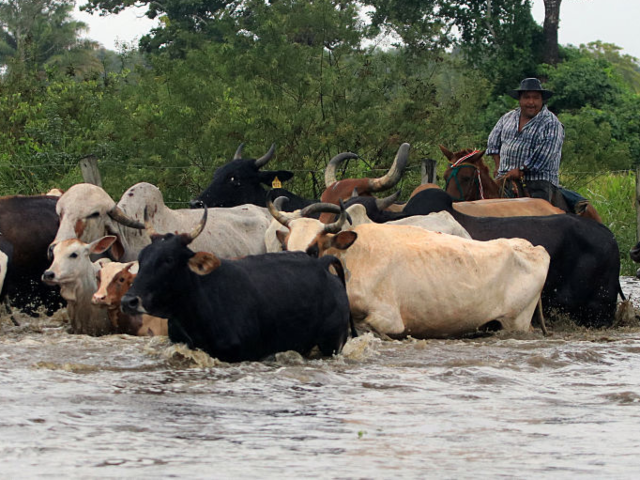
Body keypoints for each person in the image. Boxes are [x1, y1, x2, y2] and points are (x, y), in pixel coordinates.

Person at [486, 77, 584, 212]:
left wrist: (520, 170)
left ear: (542, 100)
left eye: (535, 98)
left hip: (537, 180)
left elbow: (545, 154)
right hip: (504, 178)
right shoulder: (507, 118)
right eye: (526, 97)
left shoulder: (551, 123)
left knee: (537, 216)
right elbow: (493, 142)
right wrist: (498, 165)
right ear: (520, 100)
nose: (531, 102)